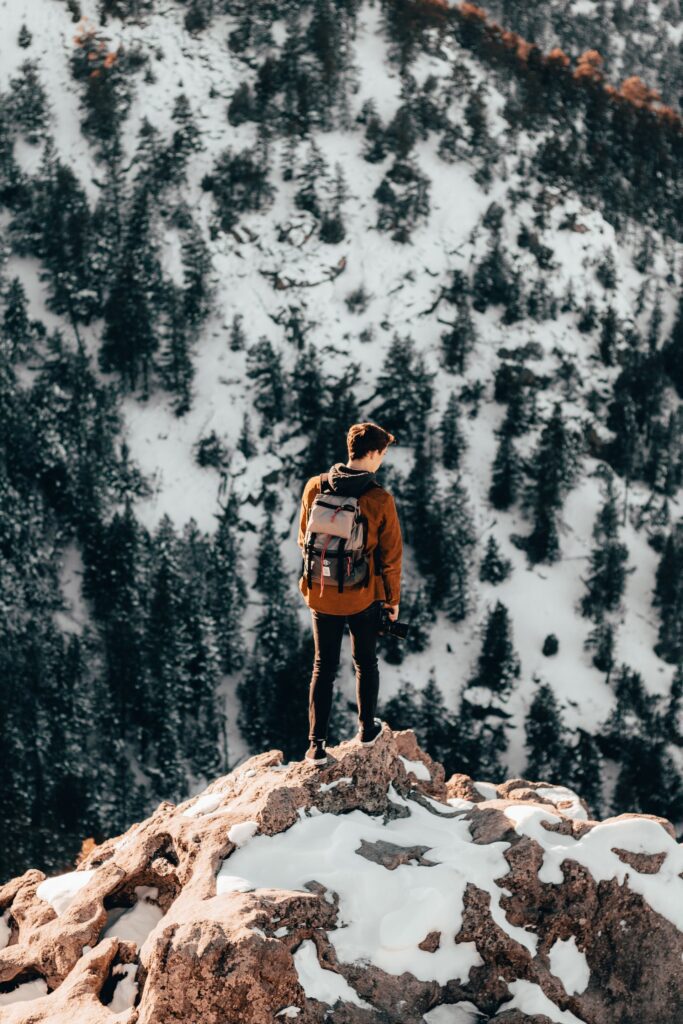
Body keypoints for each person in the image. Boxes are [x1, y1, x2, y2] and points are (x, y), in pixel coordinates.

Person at [297, 422, 403, 765]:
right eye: (382, 453)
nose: (382, 460)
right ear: (372, 453)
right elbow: (391, 558)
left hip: (321, 592)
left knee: (322, 666)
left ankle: (316, 745)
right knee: (365, 662)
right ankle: (366, 729)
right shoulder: (378, 498)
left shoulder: (315, 486)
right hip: (362, 596)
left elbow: (304, 539)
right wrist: (392, 601)